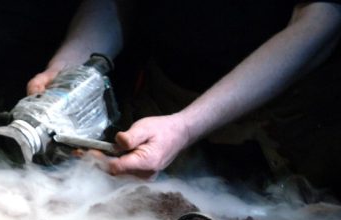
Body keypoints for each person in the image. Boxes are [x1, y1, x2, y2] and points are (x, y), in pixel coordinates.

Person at [28, 0, 341, 196]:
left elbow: (321, 21)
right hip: (168, 96)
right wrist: (70, 68)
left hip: (285, 109)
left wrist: (186, 126)